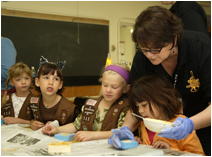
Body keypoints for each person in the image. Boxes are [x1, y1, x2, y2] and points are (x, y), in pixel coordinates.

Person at [109, 6, 211, 155]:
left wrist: (190, 124)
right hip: (159, 135)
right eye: (144, 49)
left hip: (203, 128)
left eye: (155, 49)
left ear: (173, 39)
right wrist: (125, 128)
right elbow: (136, 104)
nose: (149, 55)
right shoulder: (142, 60)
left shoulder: (201, 48)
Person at [109, 74, 204, 155]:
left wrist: (169, 150)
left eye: (144, 105)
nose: (140, 111)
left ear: (162, 100)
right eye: (137, 106)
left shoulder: (181, 125)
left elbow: (198, 154)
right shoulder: (144, 124)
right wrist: (137, 144)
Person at [42, 63, 131, 142]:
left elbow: (122, 133)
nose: (108, 90)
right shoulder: (91, 104)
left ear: (126, 89)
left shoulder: (126, 107)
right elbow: (76, 125)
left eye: (114, 87)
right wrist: (57, 130)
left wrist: (93, 135)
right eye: (105, 85)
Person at [24, 56, 80, 130]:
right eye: (46, 78)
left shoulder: (71, 110)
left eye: (56, 79)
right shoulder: (32, 102)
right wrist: (32, 122)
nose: (51, 82)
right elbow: (30, 118)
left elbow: (78, 127)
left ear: (60, 85)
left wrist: (58, 128)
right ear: (37, 82)